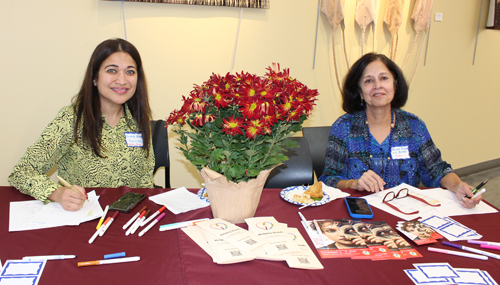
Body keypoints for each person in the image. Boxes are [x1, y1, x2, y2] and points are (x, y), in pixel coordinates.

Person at [319, 53, 482, 209]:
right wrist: (353, 183)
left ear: (395, 84)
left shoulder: (414, 127)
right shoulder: (344, 127)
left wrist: (458, 185)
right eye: (368, 81)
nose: (378, 85)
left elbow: (437, 170)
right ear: (359, 91)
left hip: (406, 214)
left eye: (384, 78)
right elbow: (328, 179)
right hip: (360, 213)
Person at [8, 38, 154, 211]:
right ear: (94, 78)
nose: (122, 80)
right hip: (84, 219)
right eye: (112, 70)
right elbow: (21, 173)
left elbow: (145, 179)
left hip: (130, 219)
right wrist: (57, 193)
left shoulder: (137, 120)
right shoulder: (72, 119)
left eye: (130, 72)